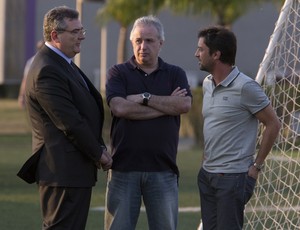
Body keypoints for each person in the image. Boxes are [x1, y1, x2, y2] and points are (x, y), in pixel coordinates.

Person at [17, 6, 112, 229]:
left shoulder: (61, 63)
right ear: (55, 35)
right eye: (75, 32)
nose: (81, 36)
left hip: (72, 171)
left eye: (82, 30)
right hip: (62, 171)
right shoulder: (47, 69)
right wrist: (99, 153)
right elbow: (69, 122)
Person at [105, 15, 192, 230]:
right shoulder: (118, 73)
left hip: (163, 170)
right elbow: (120, 108)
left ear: (161, 43)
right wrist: (166, 106)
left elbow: (183, 106)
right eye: (138, 40)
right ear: (132, 42)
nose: (143, 46)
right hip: (123, 170)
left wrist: (145, 98)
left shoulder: (175, 74)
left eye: (149, 41)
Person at [194, 26, 281, 230]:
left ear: (216, 54)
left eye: (201, 49)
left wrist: (256, 166)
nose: (196, 54)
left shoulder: (246, 87)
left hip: (233, 180)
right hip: (207, 176)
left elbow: (273, 124)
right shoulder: (207, 83)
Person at [18, 40, 44, 109]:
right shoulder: (31, 61)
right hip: (36, 94)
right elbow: (25, 80)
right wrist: (21, 96)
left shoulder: (32, 61)